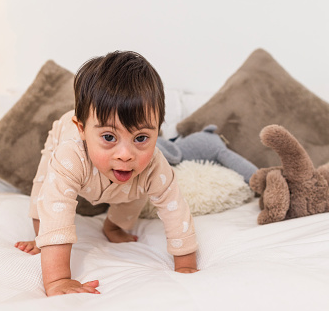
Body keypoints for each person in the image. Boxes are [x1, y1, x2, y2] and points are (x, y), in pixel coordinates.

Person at [14, 51, 198, 296]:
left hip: (132, 181)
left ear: (157, 131)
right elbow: (56, 206)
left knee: (134, 188)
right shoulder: (70, 155)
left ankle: (113, 226)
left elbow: (176, 211)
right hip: (62, 147)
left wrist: (185, 266)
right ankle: (40, 237)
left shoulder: (153, 164)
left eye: (141, 137)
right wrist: (58, 280)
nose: (125, 154)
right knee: (45, 192)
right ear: (81, 129)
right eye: (109, 137)